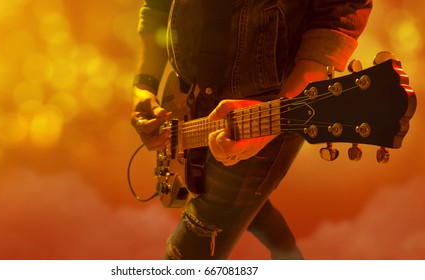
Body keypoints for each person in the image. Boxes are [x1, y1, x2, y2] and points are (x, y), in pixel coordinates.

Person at [131, 0, 372, 259]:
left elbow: (341, 13)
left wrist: (284, 107)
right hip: (189, 96)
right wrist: (144, 84)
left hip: (266, 109)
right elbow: (157, 6)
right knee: (251, 208)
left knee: (187, 256)